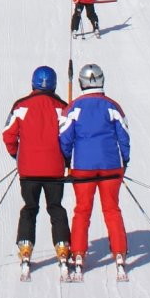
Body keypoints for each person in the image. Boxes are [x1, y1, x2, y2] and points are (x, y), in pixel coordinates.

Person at [59, 62, 130, 282]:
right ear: (102, 80)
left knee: (82, 210)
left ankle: (78, 254)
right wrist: (125, 160)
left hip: (83, 167)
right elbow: (124, 136)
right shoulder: (112, 106)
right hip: (111, 166)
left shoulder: (74, 107)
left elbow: (64, 138)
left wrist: (66, 159)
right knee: (112, 210)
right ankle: (119, 254)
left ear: (80, 83)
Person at [1, 65, 71, 277]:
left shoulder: (21, 106)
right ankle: (62, 247)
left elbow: (8, 135)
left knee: (30, 208)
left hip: (28, 169)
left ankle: (25, 248)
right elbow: (69, 138)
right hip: (55, 169)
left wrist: (17, 155)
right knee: (56, 208)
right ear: (54, 84)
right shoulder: (62, 107)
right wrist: (66, 160)